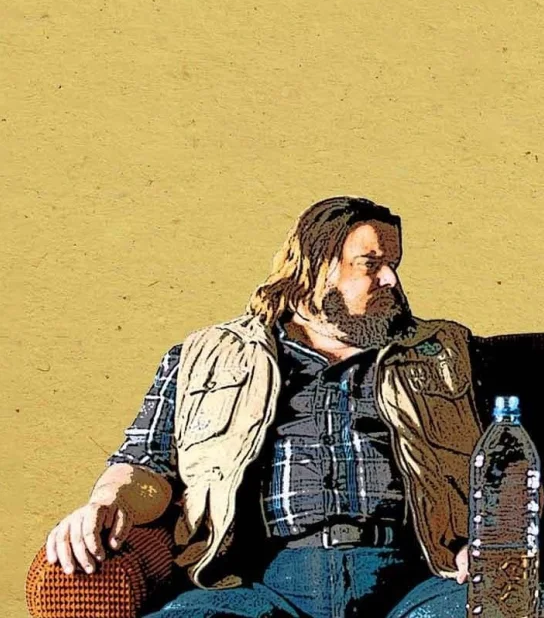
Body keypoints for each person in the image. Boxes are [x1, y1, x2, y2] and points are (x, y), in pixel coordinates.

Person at [43, 196, 480, 618]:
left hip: (415, 579)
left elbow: (504, 463)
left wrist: (488, 541)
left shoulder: (445, 351)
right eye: (371, 264)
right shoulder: (203, 356)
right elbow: (145, 463)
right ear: (315, 267)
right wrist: (105, 502)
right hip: (256, 584)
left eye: (393, 265)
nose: (391, 280)